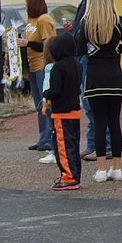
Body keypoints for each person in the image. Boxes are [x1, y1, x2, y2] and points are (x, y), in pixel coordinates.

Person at [77, 0, 122, 183]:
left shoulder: (86, 22)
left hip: (95, 77)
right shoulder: (119, 22)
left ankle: (100, 169)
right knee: (114, 123)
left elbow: (79, 50)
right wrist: (115, 48)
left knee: (99, 124)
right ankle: (117, 168)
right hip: (114, 76)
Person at [64, 0, 104, 161]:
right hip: (85, 54)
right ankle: (93, 142)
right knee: (88, 101)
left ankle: (101, 144)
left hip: (90, 55)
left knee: (92, 101)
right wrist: (75, 28)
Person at [15, 0, 57, 161]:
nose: (25, 6)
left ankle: (48, 137)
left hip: (42, 64)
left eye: (26, 2)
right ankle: (43, 137)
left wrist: (29, 43)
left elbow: (48, 44)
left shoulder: (44, 19)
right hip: (31, 65)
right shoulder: (30, 21)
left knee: (45, 101)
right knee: (38, 103)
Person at [42, 34, 82, 191]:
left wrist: (46, 94)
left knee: (63, 147)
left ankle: (68, 177)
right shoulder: (77, 65)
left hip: (61, 113)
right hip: (74, 112)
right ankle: (75, 174)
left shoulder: (58, 68)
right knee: (73, 145)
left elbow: (55, 90)